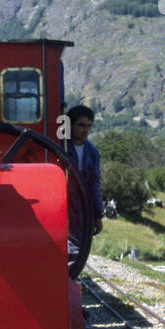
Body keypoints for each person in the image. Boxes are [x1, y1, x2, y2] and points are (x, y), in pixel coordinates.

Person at [65, 104, 104, 247]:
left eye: (89, 125)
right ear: (70, 125)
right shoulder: (60, 147)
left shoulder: (91, 151)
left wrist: (98, 215)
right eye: (81, 125)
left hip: (82, 206)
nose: (85, 130)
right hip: (64, 203)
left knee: (78, 245)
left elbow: (94, 184)